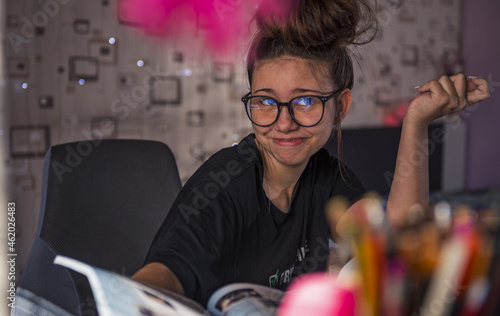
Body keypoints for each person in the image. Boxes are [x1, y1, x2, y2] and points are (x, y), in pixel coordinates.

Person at [132, 0, 490, 306]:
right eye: (266, 102)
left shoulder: (327, 177)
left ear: (341, 105)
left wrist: (415, 123)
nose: (283, 123)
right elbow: (158, 278)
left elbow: (394, 248)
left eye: (305, 101)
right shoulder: (225, 185)